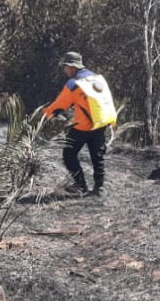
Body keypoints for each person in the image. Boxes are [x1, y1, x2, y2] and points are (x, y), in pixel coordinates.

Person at [43, 52, 115, 196]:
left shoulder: (74, 84)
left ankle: (81, 186)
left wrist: (45, 113)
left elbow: (60, 105)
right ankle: (99, 188)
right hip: (100, 123)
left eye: (65, 66)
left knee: (68, 155)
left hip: (82, 127)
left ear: (71, 67)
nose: (64, 70)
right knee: (97, 157)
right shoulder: (97, 78)